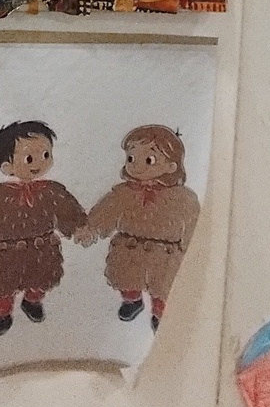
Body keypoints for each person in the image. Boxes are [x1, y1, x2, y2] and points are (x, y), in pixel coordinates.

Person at [0, 120, 86, 336]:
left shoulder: (51, 191)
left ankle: (32, 301)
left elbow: (67, 209)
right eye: (29, 158)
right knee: (1, 288)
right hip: (4, 254)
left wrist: (78, 227)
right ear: (7, 166)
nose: (39, 163)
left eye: (45, 155)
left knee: (41, 279)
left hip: (41, 250)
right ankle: (2, 315)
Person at [77, 125, 200, 332]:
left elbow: (192, 222)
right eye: (131, 158)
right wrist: (92, 227)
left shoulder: (183, 198)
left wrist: (192, 247)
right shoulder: (124, 193)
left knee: (163, 287)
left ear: (171, 166)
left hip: (165, 253)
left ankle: (160, 314)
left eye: (149, 160)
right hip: (130, 248)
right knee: (126, 277)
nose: (137, 166)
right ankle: (132, 300)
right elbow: (106, 210)